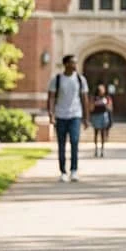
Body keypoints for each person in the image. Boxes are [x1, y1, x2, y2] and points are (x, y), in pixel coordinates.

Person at [46, 54, 90, 183]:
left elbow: (85, 99)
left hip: (75, 115)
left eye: (76, 63)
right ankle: (63, 171)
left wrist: (86, 118)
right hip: (61, 115)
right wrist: (51, 114)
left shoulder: (81, 79)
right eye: (72, 63)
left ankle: (74, 170)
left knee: (75, 142)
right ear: (66, 64)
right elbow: (51, 97)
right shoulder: (57, 79)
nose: (75, 65)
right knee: (61, 144)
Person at [90, 83, 113, 157]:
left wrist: (105, 104)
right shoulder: (94, 97)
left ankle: (102, 149)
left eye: (102, 89)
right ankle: (96, 149)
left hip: (103, 116)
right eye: (100, 89)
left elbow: (110, 107)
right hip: (96, 116)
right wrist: (95, 104)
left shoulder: (107, 97)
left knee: (103, 133)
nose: (101, 91)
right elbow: (91, 107)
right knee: (96, 133)